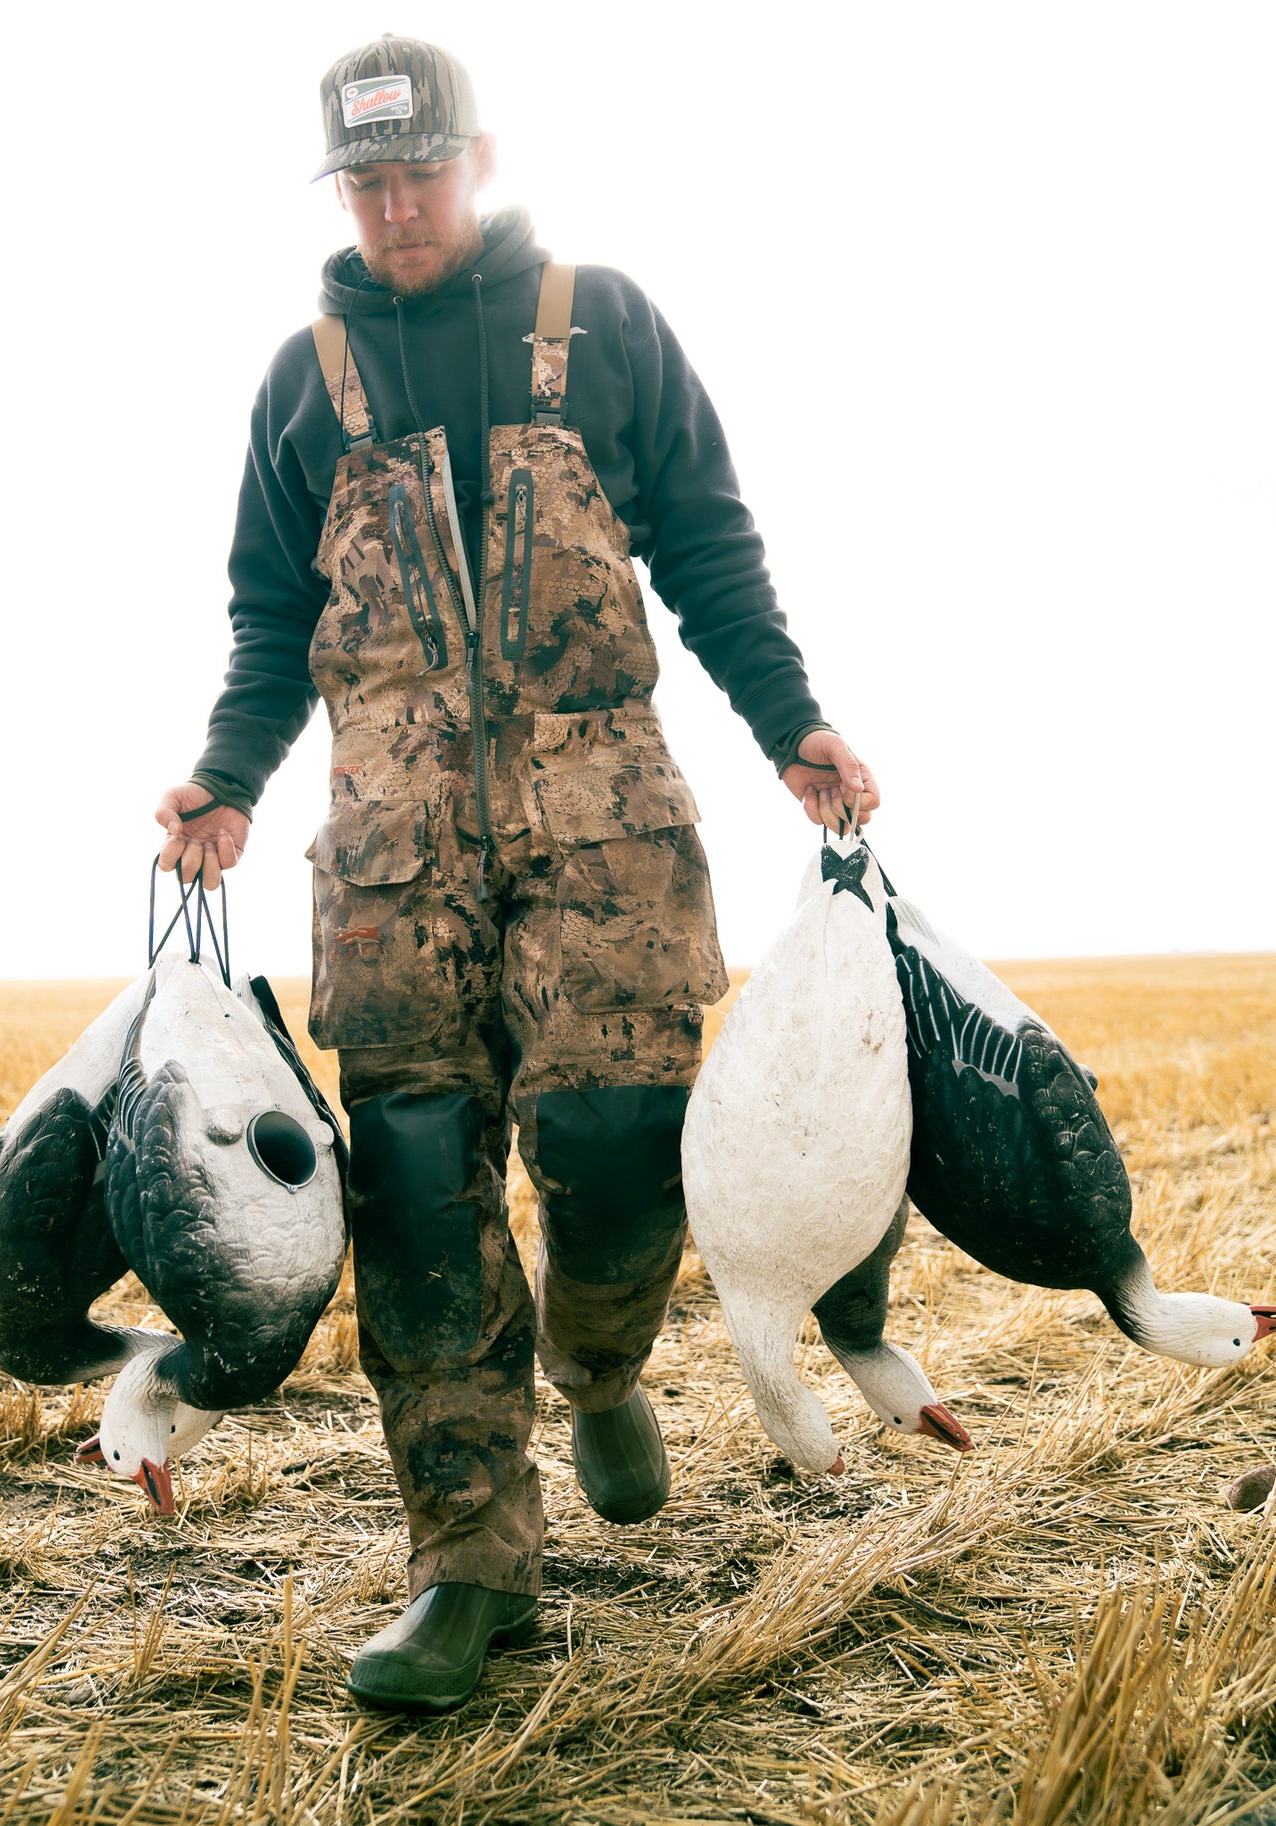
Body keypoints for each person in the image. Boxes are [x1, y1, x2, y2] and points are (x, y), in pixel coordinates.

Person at [155, 33, 879, 1714]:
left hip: (602, 820)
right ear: (338, 188)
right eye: (364, 180)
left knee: (620, 1146)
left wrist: (795, 722)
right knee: (418, 1199)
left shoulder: (600, 320)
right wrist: (225, 777)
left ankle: (601, 1351)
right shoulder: (303, 373)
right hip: (394, 858)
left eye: (419, 171)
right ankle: (468, 1563)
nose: (395, 206)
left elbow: (705, 543)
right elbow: (273, 621)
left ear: (477, 160)